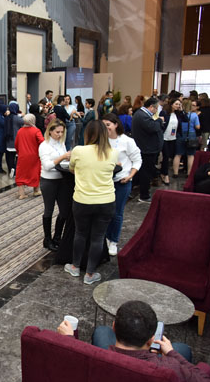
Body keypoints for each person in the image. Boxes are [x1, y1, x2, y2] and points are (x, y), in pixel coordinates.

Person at [57, 301, 210, 382]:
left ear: (114, 327)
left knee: (101, 331)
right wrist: (172, 353)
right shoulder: (170, 368)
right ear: (152, 339)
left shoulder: (92, 357)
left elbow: (75, 358)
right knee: (182, 349)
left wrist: (69, 339)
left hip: (110, 368)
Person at [65, 120, 118, 285]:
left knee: (80, 234)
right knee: (98, 237)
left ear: (87, 134)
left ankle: (75, 267)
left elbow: (72, 168)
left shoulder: (78, 151)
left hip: (82, 200)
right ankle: (90, 274)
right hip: (106, 201)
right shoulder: (112, 152)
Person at [101, 114, 141, 256]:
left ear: (116, 124)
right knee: (105, 212)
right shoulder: (101, 140)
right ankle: (104, 238)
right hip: (105, 182)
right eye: (103, 125)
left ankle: (113, 240)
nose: (106, 128)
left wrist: (130, 175)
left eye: (108, 125)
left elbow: (137, 160)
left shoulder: (127, 141)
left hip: (122, 181)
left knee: (117, 212)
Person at [39, 119, 71, 251]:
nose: (60, 134)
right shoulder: (44, 146)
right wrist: (62, 157)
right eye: (57, 132)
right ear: (50, 131)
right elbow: (47, 166)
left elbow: (61, 162)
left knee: (64, 210)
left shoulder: (61, 143)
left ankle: (57, 237)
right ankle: (47, 239)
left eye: (62, 132)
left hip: (61, 179)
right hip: (48, 180)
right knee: (49, 209)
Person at [132, 97, 164, 203]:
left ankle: (135, 190)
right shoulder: (142, 116)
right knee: (146, 173)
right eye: (156, 108)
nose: (156, 111)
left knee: (142, 172)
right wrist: (159, 120)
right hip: (146, 149)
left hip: (147, 148)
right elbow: (153, 127)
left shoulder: (141, 114)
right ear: (151, 107)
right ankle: (144, 195)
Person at [14, 113, 44, 199]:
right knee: (35, 172)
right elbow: (42, 142)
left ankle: (21, 194)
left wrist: (19, 152)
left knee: (21, 174)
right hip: (34, 156)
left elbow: (16, 144)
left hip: (22, 156)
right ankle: (36, 190)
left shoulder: (20, 131)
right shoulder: (36, 131)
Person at [173, 98, 200, 177]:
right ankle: (189, 173)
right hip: (191, 135)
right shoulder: (194, 115)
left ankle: (175, 173)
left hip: (180, 134)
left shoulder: (178, 114)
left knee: (178, 154)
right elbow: (198, 127)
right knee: (190, 155)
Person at [160, 98, 180, 184]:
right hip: (165, 137)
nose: (178, 106)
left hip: (173, 138)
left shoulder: (177, 114)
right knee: (166, 156)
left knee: (169, 156)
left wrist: (182, 111)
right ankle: (165, 174)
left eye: (179, 104)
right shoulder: (164, 113)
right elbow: (161, 124)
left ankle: (163, 172)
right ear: (171, 104)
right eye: (176, 104)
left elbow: (186, 119)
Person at [5, 101, 25, 178]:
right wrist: (21, 116)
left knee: (10, 157)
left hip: (8, 140)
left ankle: (10, 170)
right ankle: (15, 171)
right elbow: (24, 122)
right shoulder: (17, 118)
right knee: (17, 157)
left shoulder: (7, 117)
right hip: (16, 140)